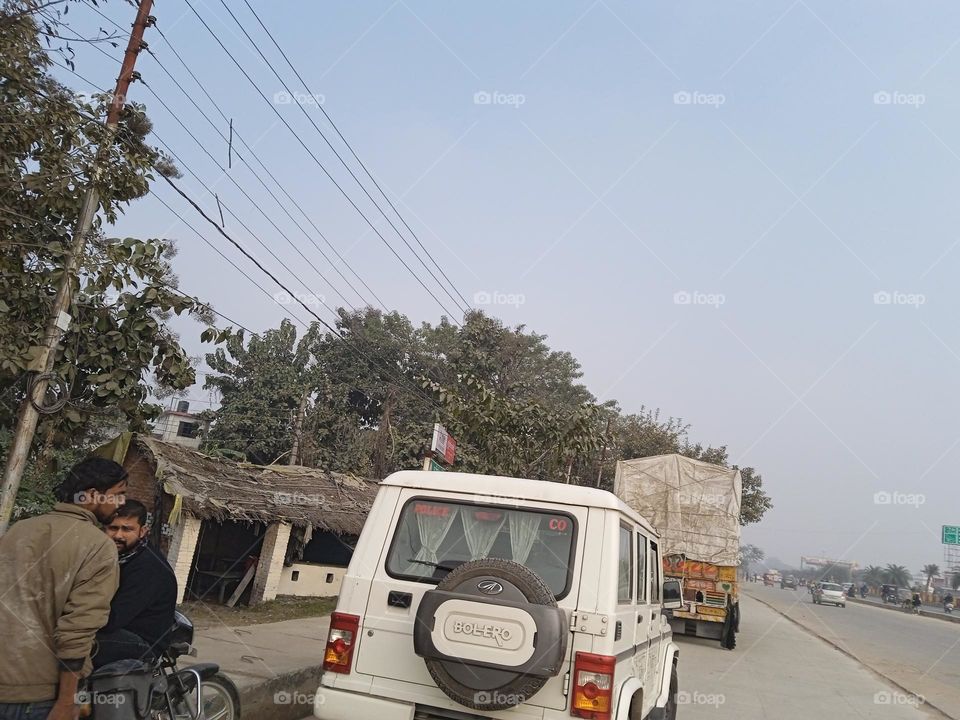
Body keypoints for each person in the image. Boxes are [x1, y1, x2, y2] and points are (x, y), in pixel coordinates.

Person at [0, 457, 126, 720]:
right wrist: (68, 702)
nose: (121, 503)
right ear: (93, 495)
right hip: (39, 697)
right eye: (118, 495)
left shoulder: (18, 530)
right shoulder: (98, 546)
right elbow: (77, 632)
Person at [93, 500, 178, 669]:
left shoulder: (147, 567)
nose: (118, 535)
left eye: (127, 529)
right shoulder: (116, 556)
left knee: (74, 642)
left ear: (142, 531)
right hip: (120, 629)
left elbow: (113, 619)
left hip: (143, 641)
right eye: (113, 528)